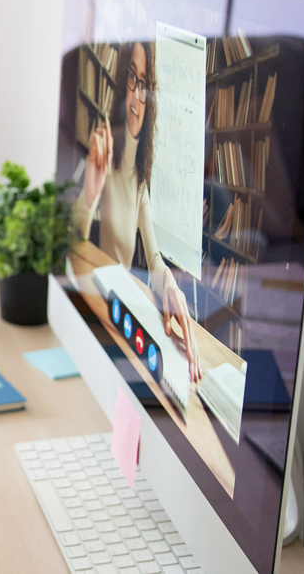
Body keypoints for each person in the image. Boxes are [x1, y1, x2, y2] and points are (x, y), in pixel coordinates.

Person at [73, 41, 201, 382]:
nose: (137, 94)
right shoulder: (102, 146)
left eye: (144, 83)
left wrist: (170, 283)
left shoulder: (140, 177)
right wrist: (89, 196)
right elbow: (70, 245)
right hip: (91, 306)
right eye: (131, 76)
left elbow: (153, 255)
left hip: (121, 312)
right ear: (120, 84)